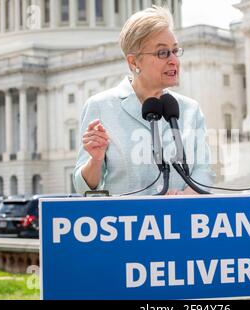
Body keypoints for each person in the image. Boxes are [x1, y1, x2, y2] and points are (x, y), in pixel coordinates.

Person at [73, 6, 215, 196]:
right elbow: (83, 189)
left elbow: (204, 172)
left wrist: (184, 198)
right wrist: (96, 161)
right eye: (162, 53)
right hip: (125, 223)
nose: (174, 60)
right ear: (133, 62)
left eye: (175, 51)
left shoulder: (191, 109)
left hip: (179, 221)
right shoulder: (100, 107)